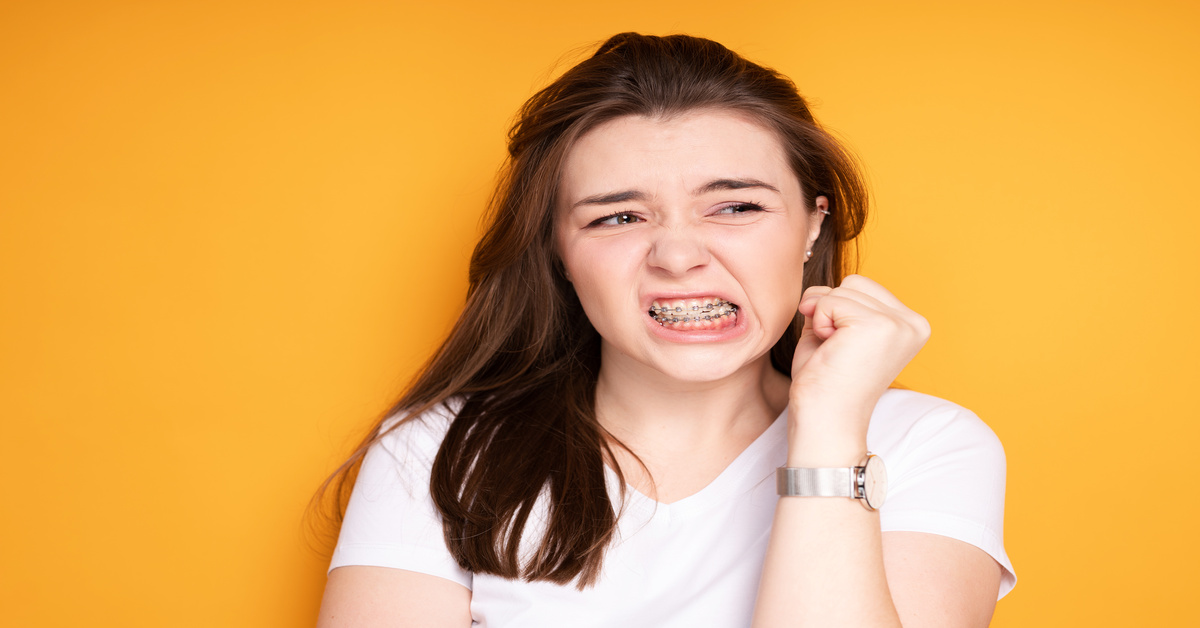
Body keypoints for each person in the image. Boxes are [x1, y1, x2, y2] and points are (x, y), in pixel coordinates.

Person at [315, 32, 1015, 627]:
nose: (678, 256)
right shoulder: (439, 453)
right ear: (558, 250)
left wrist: (830, 429)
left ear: (811, 224)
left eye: (736, 207)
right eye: (618, 217)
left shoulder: (925, 445)